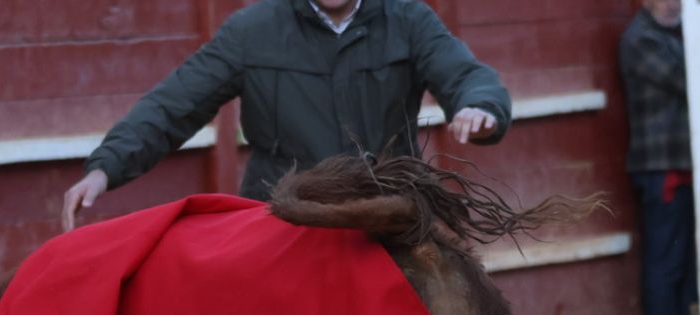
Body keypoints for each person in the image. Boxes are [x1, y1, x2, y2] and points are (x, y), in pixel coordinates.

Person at [61, 0, 512, 230]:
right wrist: (106, 168)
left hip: (387, 216)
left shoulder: (408, 19)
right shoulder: (253, 30)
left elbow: (466, 76)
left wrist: (479, 107)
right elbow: (173, 105)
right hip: (284, 218)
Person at [619, 0, 696, 315]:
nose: (673, 3)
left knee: (681, 261)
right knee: (666, 262)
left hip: (681, 163)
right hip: (660, 166)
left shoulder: (669, 35)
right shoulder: (640, 40)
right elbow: (690, 80)